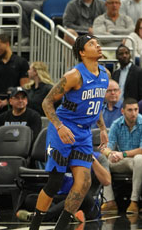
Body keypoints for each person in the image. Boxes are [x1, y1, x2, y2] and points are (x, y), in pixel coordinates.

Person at [27, 35, 109, 230]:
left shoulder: (105, 74)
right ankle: (34, 226)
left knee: (84, 183)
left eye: (98, 42)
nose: (97, 45)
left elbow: (96, 105)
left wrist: (103, 128)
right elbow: (46, 102)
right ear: (82, 52)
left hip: (84, 133)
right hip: (63, 128)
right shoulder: (74, 75)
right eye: (92, 44)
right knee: (55, 181)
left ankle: (61, 227)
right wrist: (59, 127)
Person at [101, 98, 142, 215]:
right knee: (102, 160)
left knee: (139, 159)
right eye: (130, 110)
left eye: (135, 109)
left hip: (139, 161)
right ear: (122, 111)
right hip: (123, 160)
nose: (133, 113)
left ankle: (134, 201)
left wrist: (122, 154)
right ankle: (110, 201)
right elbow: (106, 147)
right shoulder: (116, 124)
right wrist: (110, 154)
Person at [0, 33, 29, 113]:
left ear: (7, 44)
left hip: (15, 104)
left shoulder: (21, 62)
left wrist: (9, 100)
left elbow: (24, 87)